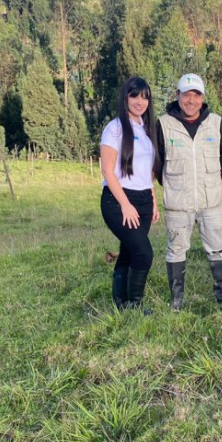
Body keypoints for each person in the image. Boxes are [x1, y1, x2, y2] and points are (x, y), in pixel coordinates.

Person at [155, 73, 222, 311]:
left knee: (217, 247)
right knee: (176, 249)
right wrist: (177, 185)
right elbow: (157, 164)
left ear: (203, 97)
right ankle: (177, 300)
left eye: (196, 95)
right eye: (186, 94)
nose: (191, 100)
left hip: (211, 203)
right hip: (178, 203)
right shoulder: (163, 125)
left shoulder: (216, 123)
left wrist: (206, 183)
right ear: (177, 95)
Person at [100, 77, 160, 311]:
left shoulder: (147, 130)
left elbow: (148, 172)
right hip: (118, 200)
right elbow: (107, 169)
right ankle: (134, 305)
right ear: (125, 97)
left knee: (128, 251)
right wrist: (125, 204)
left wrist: (153, 201)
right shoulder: (114, 128)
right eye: (135, 95)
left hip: (144, 199)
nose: (140, 101)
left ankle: (121, 305)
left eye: (145, 97)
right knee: (144, 253)